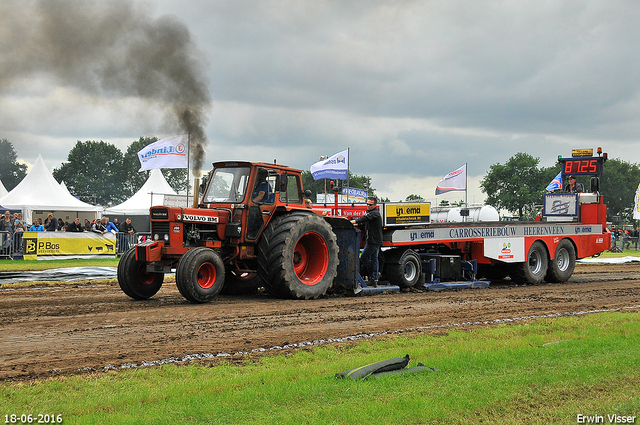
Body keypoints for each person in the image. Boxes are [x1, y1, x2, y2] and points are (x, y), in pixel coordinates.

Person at [350, 197, 383, 285]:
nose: (368, 206)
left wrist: (352, 221)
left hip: (373, 240)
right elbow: (364, 223)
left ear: (375, 205)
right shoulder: (372, 214)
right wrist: (356, 224)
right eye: (367, 204)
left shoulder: (374, 214)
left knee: (364, 257)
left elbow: (364, 219)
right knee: (374, 259)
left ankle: (374, 274)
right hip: (374, 240)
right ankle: (374, 278)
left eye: (370, 204)